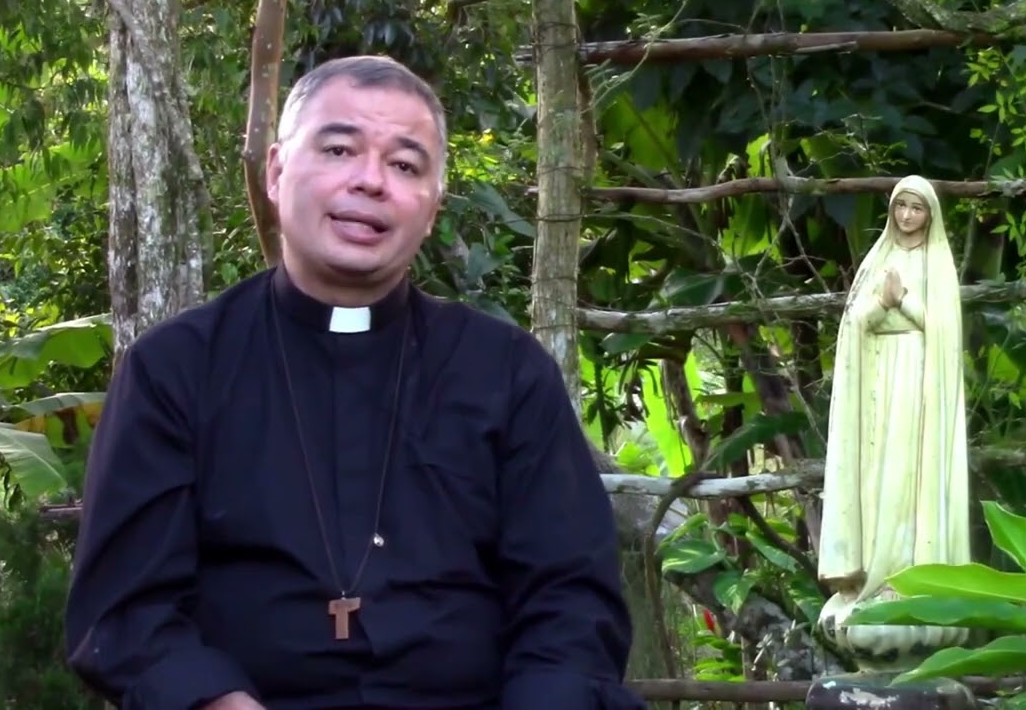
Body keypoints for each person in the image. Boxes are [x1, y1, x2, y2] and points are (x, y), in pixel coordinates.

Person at [64, 54, 644, 710]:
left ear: (431, 209)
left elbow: (570, 602)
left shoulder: (506, 372)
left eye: (404, 165)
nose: (370, 182)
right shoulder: (175, 369)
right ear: (278, 172)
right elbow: (127, 612)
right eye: (340, 149)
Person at [815, 175, 971, 669]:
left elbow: (942, 330)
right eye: (900, 207)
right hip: (878, 391)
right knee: (877, 484)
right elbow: (855, 322)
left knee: (910, 483)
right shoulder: (877, 259)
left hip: (920, 394)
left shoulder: (937, 265)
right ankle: (871, 579)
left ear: (930, 215)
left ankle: (905, 578)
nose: (907, 217)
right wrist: (880, 306)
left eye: (916, 209)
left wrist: (902, 303)